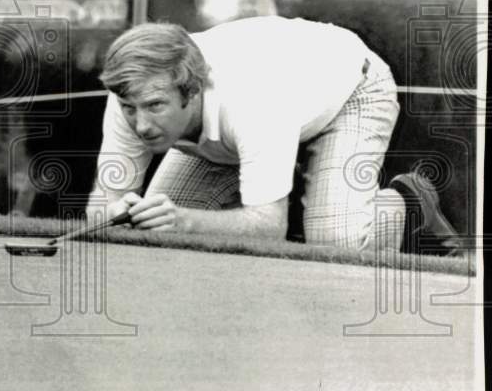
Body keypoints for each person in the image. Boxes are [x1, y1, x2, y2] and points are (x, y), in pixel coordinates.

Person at [90, 17, 462, 254]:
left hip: (353, 89)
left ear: (192, 91)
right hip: (257, 124)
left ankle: (412, 202)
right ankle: (311, 199)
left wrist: (184, 220)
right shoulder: (133, 90)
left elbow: (269, 228)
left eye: (155, 107)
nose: (140, 126)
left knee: (338, 244)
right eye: (130, 109)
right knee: (151, 235)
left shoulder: (252, 99)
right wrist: (114, 211)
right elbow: (101, 206)